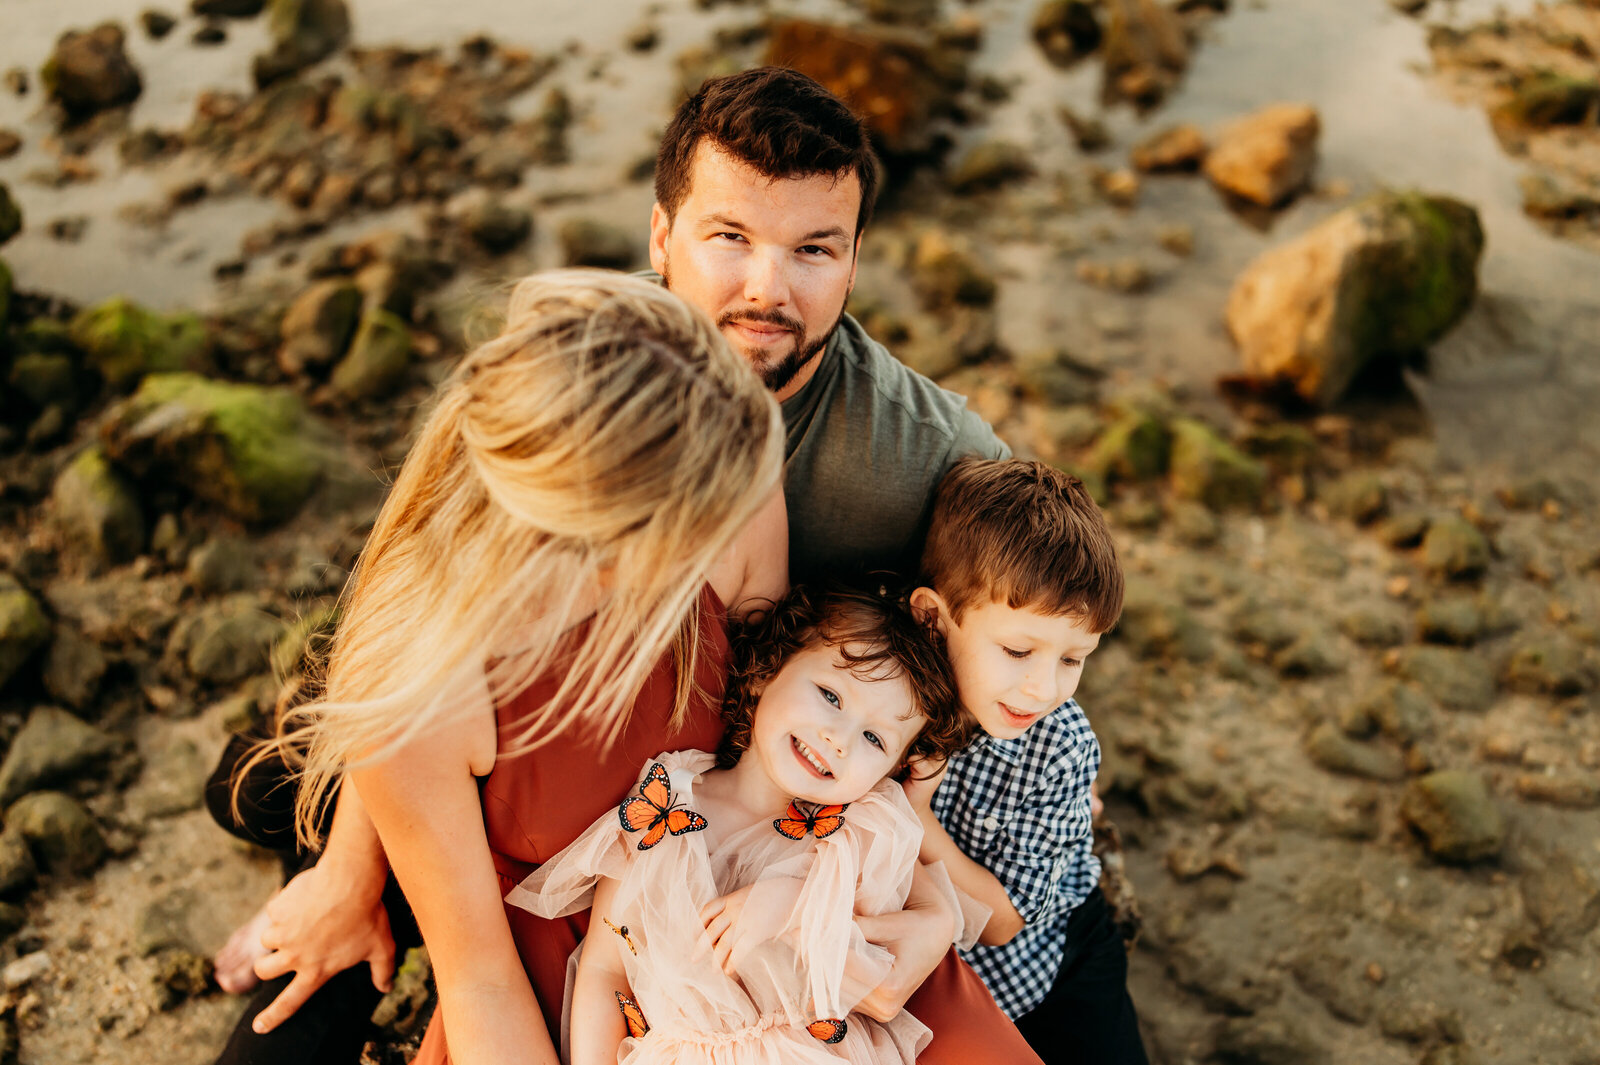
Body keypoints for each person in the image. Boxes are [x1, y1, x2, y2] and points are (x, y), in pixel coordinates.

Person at [209, 66, 1033, 1065]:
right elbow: (479, 978)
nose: (765, 287)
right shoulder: (579, 389)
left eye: (813, 248)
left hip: (752, 889)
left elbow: (781, 716)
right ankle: (318, 837)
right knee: (273, 929)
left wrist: (914, 897)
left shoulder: (786, 464)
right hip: (563, 923)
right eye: (728, 237)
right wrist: (348, 875)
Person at [233, 269, 788, 1065]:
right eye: (701, 523)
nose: (736, 519)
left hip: (688, 877)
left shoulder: (729, 463)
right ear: (605, 542)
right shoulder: (420, 675)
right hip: (493, 890)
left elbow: (756, 734)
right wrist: (346, 874)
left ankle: (315, 815)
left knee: (300, 780)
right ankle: (303, 828)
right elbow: (482, 979)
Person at [506, 586, 982, 1065]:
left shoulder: (851, 836)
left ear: (889, 773)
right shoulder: (668, 803)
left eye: (874, 738)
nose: (839, 740)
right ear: (766, 675)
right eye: (830, 695)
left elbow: (885, 962)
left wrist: (797, 910)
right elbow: (607, 969)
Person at [903, 459, 1149, 1063]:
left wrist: (915, 815)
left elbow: (1003, 922)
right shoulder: (885, 694)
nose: (1044, 689)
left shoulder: (1059, 745)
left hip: (1055, 967)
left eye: (1073, 660)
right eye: (1018, 650)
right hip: (940, 989)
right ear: (933, 617)